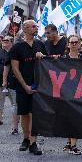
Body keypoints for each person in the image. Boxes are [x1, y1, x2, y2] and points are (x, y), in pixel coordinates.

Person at [11, 20, 47, 155]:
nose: (36, 28)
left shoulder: (40, 44)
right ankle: (26, 138)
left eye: (36, 26)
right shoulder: (17, 47)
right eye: (33, 26)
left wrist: (42, 57)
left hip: (37, 86)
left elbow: (46, 63)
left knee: (34, 114)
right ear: (25, 29)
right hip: (22, 86)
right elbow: (15, 68)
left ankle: (33, 143)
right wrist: (24, 85)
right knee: (25, 114)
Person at [61, 35, 82, 155]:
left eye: (76, 42)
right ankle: (72, 145)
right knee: (70, 119)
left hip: (81, 92)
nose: (74, 44)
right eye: (72, 42)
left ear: (80, 44)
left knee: (75, 119)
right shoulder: (63, 59)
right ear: (68, 44)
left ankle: (72, 144)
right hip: (66, 93)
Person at [0, 36, 20, 134]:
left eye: (6, 40)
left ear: (12, 42)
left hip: (14, 82)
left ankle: (15, 127)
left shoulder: (15, 52)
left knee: (15, 105)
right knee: (1, 102)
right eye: (3, 40)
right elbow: (5, 68)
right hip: (2, 82)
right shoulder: (0, 52)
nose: (3, 42)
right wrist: (3, 81)